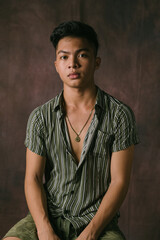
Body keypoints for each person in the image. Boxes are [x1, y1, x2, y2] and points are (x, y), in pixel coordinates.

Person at [3, 21, 139, 240]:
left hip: (98, 221)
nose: (72, 64)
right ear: (56, 64)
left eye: (82, 55)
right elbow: (34, 178)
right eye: (64, 57)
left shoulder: (120, 115)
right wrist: (44, 229)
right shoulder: (40, 117)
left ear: (96, 62)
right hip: (49, 215)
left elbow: (119, 181)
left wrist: (91, 233)